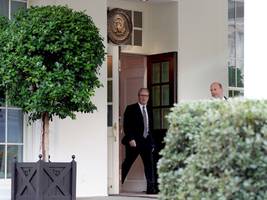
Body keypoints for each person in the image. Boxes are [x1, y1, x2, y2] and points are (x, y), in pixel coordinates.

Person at [121, 88, 157, 194]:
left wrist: (153, 142)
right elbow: (127, 125)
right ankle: (117, 183)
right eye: (142, 95)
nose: (144, 97)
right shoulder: (131, 108)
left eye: (146, 96)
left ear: (148, 97)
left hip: (147, 142)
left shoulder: (149, 109)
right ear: (138, 96)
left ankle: (151, 189)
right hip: (135, 142)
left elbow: (150, 128)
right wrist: (131, 138)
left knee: (149, 165)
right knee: (127, 163)